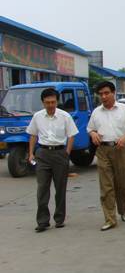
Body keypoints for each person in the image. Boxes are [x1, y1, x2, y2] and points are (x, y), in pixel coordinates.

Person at [87, 81, 125, 231]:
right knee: (106, 186)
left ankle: (123, 208)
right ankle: (110, 218)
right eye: (101, 94)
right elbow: (90, 128)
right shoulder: (96, 112)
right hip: (103, 150)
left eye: (106, 93)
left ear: (113, 93)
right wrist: (93, 134)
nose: (103, 96)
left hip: (119, 149)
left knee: (122, 184)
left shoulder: (124, 109)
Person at [27, 88, 78, 232]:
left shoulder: (65, 116)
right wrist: (31, 153)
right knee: (42, 188)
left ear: (57, 101)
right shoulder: (37, 116)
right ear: (43, 102)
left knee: (60, 188)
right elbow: (33, 135)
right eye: (47, 102)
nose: (50, 105)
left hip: (59, 153)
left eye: (53, 102)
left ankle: (59, 219)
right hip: (42, 154)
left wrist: (67, 153)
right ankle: (43, 221)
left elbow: (71, 135)